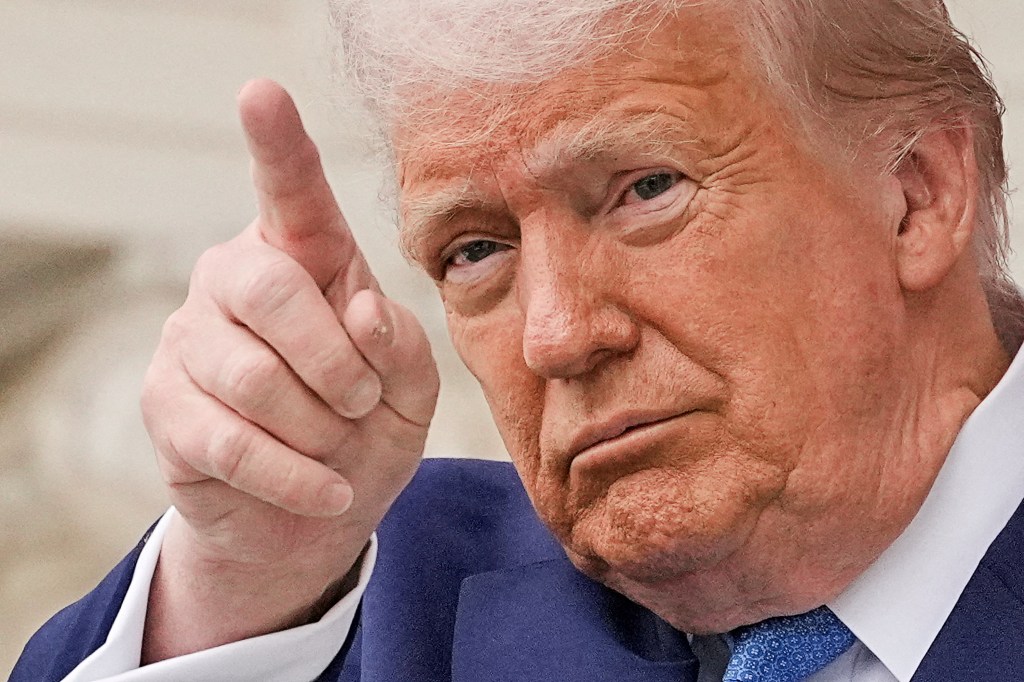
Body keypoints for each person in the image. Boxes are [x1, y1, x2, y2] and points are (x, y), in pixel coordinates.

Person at [13, 0, 1024, 680]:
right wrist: (238, 577)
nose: (556, 333)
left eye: (645, 190)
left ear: (913, 195)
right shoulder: (381, 593)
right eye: (475, 248)